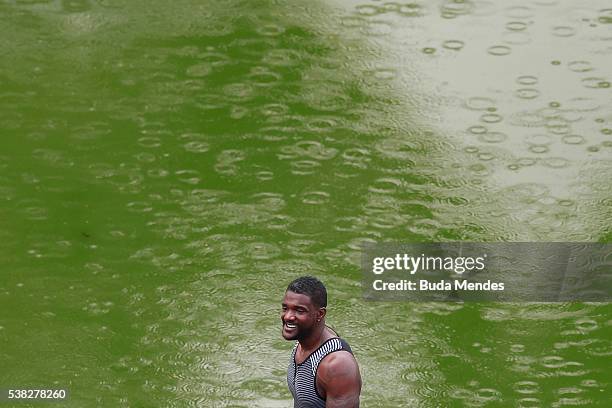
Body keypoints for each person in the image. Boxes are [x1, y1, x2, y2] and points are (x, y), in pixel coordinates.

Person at [281, 276, 361, 408]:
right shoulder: (304, 337)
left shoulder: (337, 366)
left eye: (299, 310)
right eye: (285, 308)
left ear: (320, 314)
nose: (288, 316)